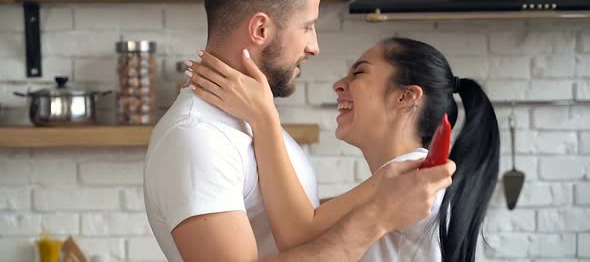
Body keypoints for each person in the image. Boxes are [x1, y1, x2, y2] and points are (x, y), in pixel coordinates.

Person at [144, 0, 455, 262]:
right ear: (261, 29)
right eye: (307, 27)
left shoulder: (254, 121)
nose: (314, 47)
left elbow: (305, 230)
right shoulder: (197, 138)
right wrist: (378, 215)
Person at [186, 37, 500, 262]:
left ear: (405, 97)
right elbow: (315, 219)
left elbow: (298, 233)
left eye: (359, 73)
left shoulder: (412, 175)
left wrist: (263, 117)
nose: (339, 84)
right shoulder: (410, 173)